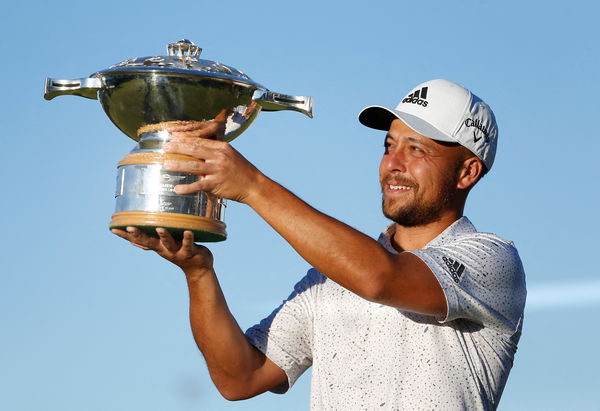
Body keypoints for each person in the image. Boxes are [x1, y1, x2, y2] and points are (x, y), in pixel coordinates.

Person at [112, 78, 526, 410]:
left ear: (467, 172)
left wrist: (252, 185)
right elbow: (240, 379)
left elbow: (380, 279)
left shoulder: (491, 260)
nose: (393, 164)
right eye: (389, 146)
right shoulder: (330, 278)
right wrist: (199, 272)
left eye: (416, 149)